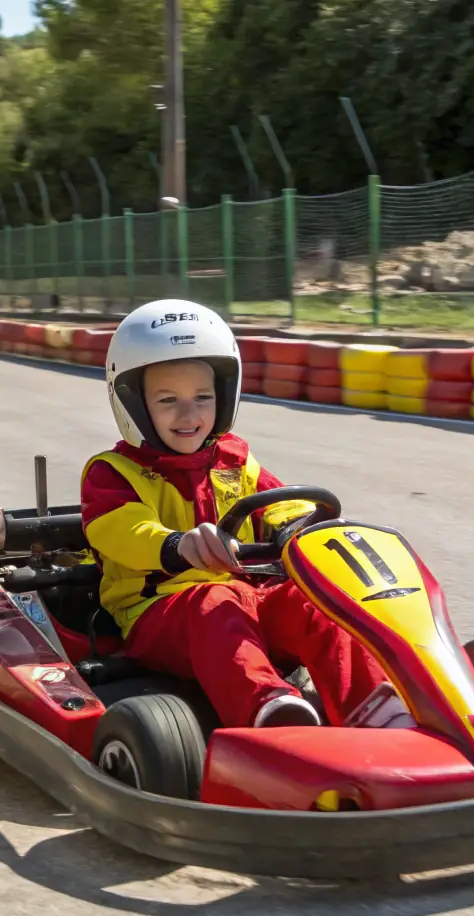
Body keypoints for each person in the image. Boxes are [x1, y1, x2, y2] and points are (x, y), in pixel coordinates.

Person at [81, 300, 394, 730]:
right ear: (134, 403)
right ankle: (271, 715)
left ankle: (374, 708)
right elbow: (122, 532)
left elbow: (282, 503)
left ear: (224, 396)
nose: (189, 414)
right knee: (215, 602)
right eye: (168, 399)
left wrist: (300, 528)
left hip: (247, 597)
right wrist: (177, 544)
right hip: (158, 612)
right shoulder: (112, 474)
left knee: (312, 600)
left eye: (203, 397)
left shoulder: (234, 459)